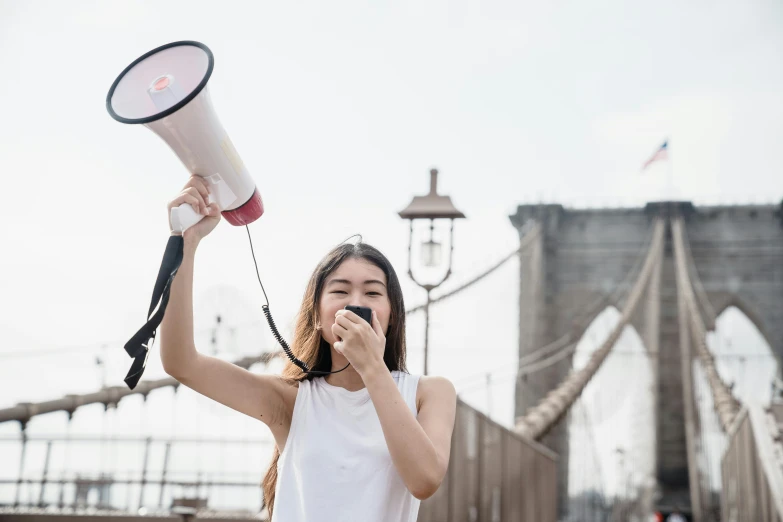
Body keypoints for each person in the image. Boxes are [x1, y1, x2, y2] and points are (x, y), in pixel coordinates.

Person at [159, 175, 458, 522]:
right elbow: (181, 362)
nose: (355, 303)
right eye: (340, 291)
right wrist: (185, 242)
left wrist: (372, 367)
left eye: (373, 293)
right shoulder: (291, 398)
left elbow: (424, 480)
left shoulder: (430, 392)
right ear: (317, 315)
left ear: (392, 317)